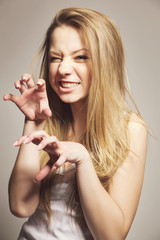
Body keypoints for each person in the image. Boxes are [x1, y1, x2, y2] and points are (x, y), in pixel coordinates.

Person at [3, 7, 147, 240]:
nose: (63, 69)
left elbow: (111, 236)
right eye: (55, 58)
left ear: (105, 63)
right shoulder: (47, 121)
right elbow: (21, 206)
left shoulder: (130, 129)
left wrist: (82, 158)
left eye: (80, 56)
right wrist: (33, 122)